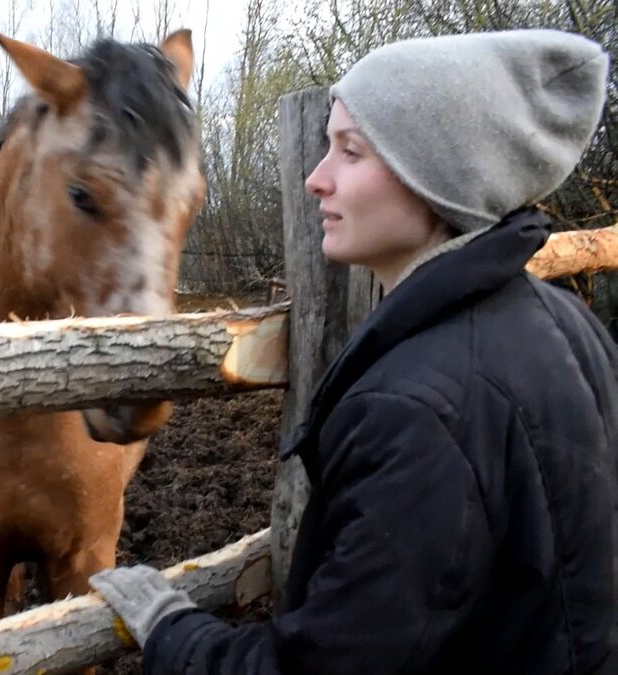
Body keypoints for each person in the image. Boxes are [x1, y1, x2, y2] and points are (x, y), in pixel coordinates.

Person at [89, 28, 618, 674]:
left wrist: (174, 632)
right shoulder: (569, 324)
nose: (315, 179)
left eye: (351, 151)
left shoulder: (420, 413)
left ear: (437, 174)